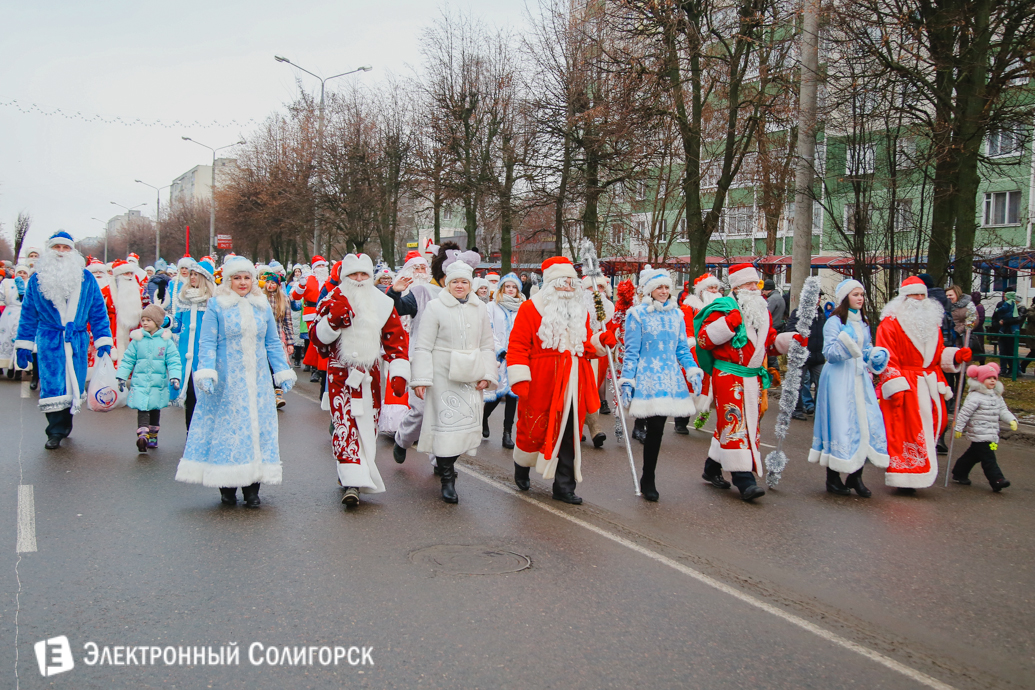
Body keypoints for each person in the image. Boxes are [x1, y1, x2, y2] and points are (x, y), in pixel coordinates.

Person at [174, 256, 297, 508]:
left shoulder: (262, 306)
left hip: (258, 381)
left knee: (255, 430)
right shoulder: (217, 305)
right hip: (226, 381)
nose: (242, 282)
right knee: (229, 432)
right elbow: (207, 342)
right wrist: (206, 371)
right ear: (228, 281)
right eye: (237, 278)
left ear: (253, 280)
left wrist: (282, 371)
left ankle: (253, 489)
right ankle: (227, 487)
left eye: (246, 277)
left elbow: (272, 343)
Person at [694, 263, 803, 501]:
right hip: (729, 375)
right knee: (736, 423)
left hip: (752, 378)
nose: (755, 288)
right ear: (737, 286)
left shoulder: (760, 310)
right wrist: (729, 323)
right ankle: (744, 479)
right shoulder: (722, 308)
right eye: (750, 284)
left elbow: (769, 343)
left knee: (740, 425)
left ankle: (712, 467)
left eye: (757, 283)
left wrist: (792, 341)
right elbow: (703, 340)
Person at [507, 257, 611, 504]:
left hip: (575, 379)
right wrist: (520, 377)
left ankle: (564, 485)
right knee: (532, 427)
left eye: (571, 282)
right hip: (542, 378)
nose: (567, 287)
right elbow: (518, 345)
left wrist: (599, 343)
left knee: (569, 431)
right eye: (562, 282)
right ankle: (522, 464)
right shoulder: (530, 308)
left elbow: (584, 345)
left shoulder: (581, 311)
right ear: (551, 284)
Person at [309, 253, 410, 507]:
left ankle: (357, 473)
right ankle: (351, 482)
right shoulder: (331, 299)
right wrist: (332, 322)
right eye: (353, 274)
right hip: (339, 375)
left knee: (367, 428)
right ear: (344, 276)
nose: (358, 279)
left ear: (370, 277)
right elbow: (317, 340)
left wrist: (398, 372)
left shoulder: (384, 303)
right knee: (345, 426)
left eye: (363, 274)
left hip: (370, 377)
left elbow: (396, 341)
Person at [14, 232, 113, 449]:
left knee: (72, 385)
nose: (60, 252)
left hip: (76, 340)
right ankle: (54, 432)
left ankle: (65, 424)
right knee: (53, 386)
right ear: (49, 251)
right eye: (56, 247)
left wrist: (103, 338)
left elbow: (98, 311)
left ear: (72, 251)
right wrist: (23, 344)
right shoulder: (36, 280)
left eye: (65, 248)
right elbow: (28, 315)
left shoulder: (86, 279)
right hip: (50, 339)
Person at [410, 259, 497, 503]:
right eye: (455, 281)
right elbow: (424, 346)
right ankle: (447, 479)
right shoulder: (435, 307)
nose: (459, 286)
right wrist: (421, 379)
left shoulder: (480, 308)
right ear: (447, 284)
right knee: (446, 428)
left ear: (470, 284)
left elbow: (487, 345)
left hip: (470, 375)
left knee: (467, 427)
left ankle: (446, 465)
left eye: (464, 282)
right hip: (442, 374)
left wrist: (487, 374)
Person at [387, 243, 479, 465]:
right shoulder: (423, 292)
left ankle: (440, 462)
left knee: (446, 413)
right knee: (419, 411)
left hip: (453, 364)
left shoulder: (464, 295)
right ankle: (402, 439)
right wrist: (394, 292)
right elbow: (397, 309)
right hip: (423, 360)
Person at [876, 276, 970, 492]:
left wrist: (955, 356)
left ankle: (920, 472)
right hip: (905, 384)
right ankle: (905, 478)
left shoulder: (932, 324)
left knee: (930, 429)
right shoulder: (890, 324)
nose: (919, 299)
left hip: (928, 383)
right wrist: (895, 385)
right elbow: (886, 357)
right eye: (914, 295)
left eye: (922, 295)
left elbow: (936, 356)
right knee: (905, 433)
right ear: (904, 298)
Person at [619, 267, 702, 502]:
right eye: (659, 287)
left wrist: (692, 369)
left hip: (670, 378)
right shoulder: (637, 315)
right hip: (647, 377)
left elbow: (682, 349)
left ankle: (649, 476)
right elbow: (631, 352)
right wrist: (627, 381)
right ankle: (648, 478)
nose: (664, 291)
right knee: (652, 428)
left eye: (666, 287)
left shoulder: (677, 315)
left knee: (659, 429)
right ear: (649, 290)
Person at [808, 280, 890, 496]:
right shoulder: (834, 321)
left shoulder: (863, 322)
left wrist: (874, 355)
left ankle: (856, 476)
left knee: (866, 424)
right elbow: (831, 353)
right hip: (838, 379)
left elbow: (866, 349)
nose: (860, 298)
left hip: (859, 378)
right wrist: (848, 344)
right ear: (845, 298)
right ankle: (833, 479)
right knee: (841, 426)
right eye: (855, 294)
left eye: (862, 294)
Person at [116, 304, 182, 452]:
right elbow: (128, 360)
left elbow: (173, 361)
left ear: (157, 322)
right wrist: (121, 376)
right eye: (143, 320)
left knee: (155, 408)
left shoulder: (166, 342)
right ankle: (143, 434)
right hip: (140, 382)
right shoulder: (137, 340)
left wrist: (175, 377)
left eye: (149, 320)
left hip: (158, 383)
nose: (144, 323)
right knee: (142, 407)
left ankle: (153, 435)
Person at [951, 362, 1016, 492]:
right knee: (988, 458)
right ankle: (997, 480)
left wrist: (1011, 419)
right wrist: (958, 427)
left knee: (973, 455)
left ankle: (959, 471)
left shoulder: (996, 395)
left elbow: (1002, 410)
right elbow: (965, 413)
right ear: (980, 380)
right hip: (979, 431)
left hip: (991, 432)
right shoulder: (975, 396)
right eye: (988, 378)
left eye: (994, 378)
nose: (992, 381)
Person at [170, 259, 215, 429]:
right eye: (191, 274)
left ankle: (205, 431)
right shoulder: (184, 299)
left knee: (204, 394)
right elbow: (177, 325)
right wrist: (166, 322)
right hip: (185, 354)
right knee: (189, 394)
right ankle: (191, 432)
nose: (193, 278)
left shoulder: (213, 302)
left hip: (204, 355)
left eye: (196, 275)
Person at [678, 272, 723, 432]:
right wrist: (693, 346)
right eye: (710, 287)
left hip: (714, 350)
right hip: (695, 349)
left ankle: (716, 421)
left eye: (716, 287)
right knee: (690, 382)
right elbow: (687, 328)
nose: (713, 290)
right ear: (702, 290)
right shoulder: (689, 305)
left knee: (712, 385)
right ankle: (681, 421)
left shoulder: (721, 307)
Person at [483, 273, 524, 449]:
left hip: (516, 356)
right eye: (507, 286)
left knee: (513, 394)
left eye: (514, 287)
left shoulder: (523, 307)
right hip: (498, 356)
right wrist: (500, 350)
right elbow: (488, 329)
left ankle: (507, 433)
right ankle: (483, 418)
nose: (510, 290)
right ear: (502, 288)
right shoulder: (492, 306)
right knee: (495, 393)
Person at [581, 273, 616, 448]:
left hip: (599, 355)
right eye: (592, 287)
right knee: (582, 390)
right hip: (581, 353)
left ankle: (591, 426)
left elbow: (611, 332)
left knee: (593, 389)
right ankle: (591, 428)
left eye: (601, 287)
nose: (597, 291)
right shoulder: (578, 307)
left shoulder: (609, 308)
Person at [787, 297, 827, 420]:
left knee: (822, 383)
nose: (817, 300)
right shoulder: (798, 312)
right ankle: (796, 409)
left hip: (818, 356)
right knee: (798, 383)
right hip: (802, 355)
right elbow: (791, 330)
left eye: (819, 297)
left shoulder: (821, 314)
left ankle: (819, 410)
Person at [263, 272, 296, 409]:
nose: (270, 285)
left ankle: (278, 394)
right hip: (261, 338)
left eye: (273, 283)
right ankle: (265, 393)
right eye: (268, 282)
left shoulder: (283, 299)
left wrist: (290, 342)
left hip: (276, 338)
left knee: (276, 365)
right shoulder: (260, 298)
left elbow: (287, 322)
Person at [110, 259, 147, 362]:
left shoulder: (141, 291)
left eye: (131, 273)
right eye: (126, 274)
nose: (130, 276)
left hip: (136, 326)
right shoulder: (107, 292)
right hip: (115, 326)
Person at [0, 263, 30, 376]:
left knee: (20, 341)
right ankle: (6, 364)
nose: (21, 275)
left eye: (24, 273)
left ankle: (18, 368)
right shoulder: (7, 283)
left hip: (24, 316)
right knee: (5, 339)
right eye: (19, 272)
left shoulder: (30, 284)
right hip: (9, 314)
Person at [992, 292, 1023, 376]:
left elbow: (1018, 319)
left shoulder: (1020, 308)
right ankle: (1006, 369)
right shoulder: (1007, 305)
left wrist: (1004, 322)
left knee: (1011, 352)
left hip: (1011, 333)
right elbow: (996, 316)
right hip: (1005, 332)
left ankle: (1015, 371)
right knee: (1004, 352)